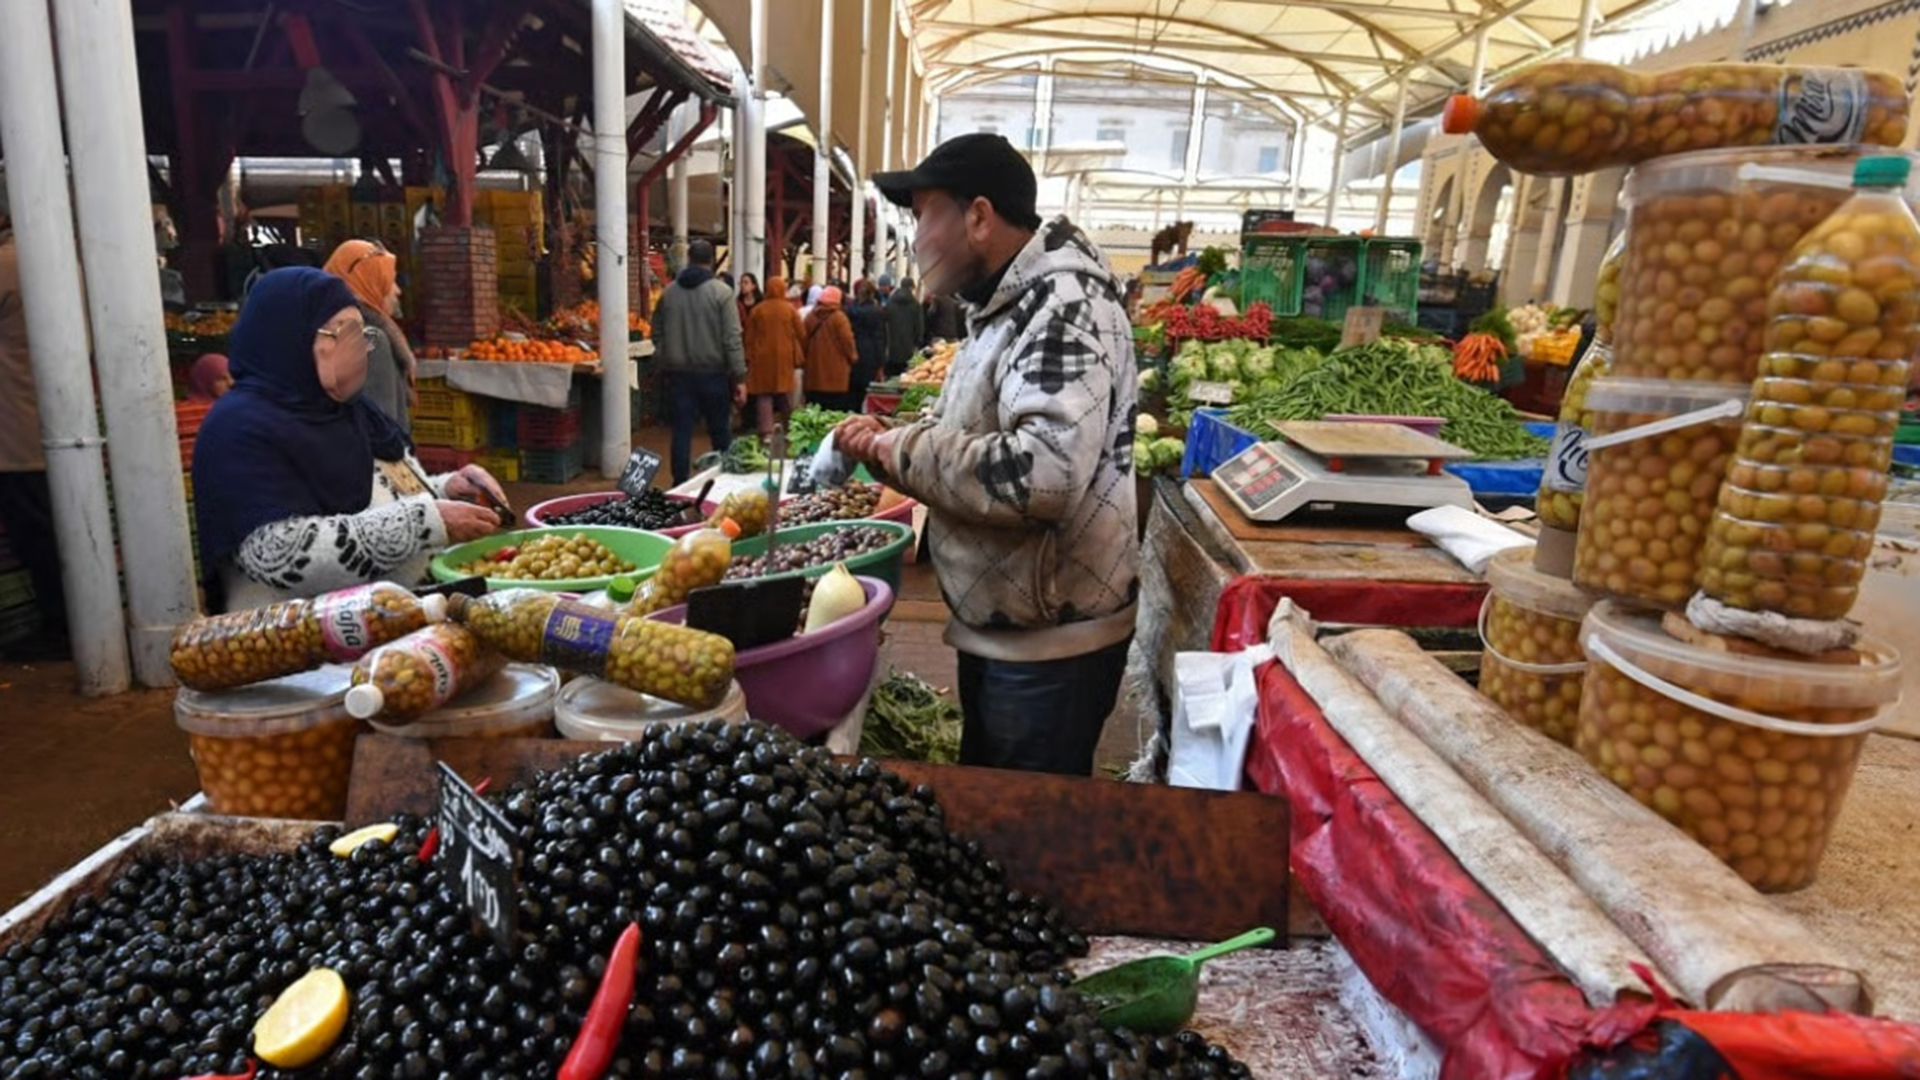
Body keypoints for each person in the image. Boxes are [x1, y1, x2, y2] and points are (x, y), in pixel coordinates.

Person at [834, 133, 1140, 776]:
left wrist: (906, 446)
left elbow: (1045, 474)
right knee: (991, 809)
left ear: (978, 216)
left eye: (924, 216)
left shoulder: (1065, 305)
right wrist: (897, 447)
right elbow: (989, 425)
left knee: (1020, 837)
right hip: (1011, 629)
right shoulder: (1005, 307)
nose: (916, 239)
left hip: (1050, 645)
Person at [193, 269, 507, 613]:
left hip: (389, 623)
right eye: (343, 334)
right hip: (299, 643)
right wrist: (425, 521)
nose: (358, 349)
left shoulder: (350, 412)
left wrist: (448, 488)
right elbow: (277, 554)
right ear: (289, 338)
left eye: (362, 335)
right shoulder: (237, 428)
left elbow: (381, 489)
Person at [0, 212, 69, 657]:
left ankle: (61, 629)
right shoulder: (65, 260)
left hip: (17, 426)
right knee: (61, 530)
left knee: (39, 535)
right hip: (59, 419)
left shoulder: (7, 264)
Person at [652, 239, 747, 484]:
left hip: (679, 374)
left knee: (681, 430)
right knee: (720, 431)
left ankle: (680, 482)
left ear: (689, 259)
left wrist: (665, 356)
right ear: (711, 262)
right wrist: (739, 376)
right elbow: (731, 338)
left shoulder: (669, 292)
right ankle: (724, 480)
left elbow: (656, 331)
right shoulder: (722, 293)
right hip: (713, 373)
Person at [323, 239, 416, 428]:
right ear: (368, 282)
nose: (398, 291)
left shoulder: (324, 333)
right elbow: (381, 429)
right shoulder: (369, 341)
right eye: (390, 280)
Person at [742, 275, 805, 441]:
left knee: (764, 395)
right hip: (785, 359)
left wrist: (748, 357)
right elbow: (801, 333)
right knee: (785, 395)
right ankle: (790, 428)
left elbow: (749, 336)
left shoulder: (758, 310)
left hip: (761, 358)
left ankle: (766, 432)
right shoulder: (789, 309)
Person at [802, 286, 859, 412]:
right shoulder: (839, 318)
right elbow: (847, 341)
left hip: (814, 375)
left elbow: (803, 341)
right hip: (836, 377)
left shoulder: (811, 317)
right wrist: (853, 357)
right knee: (834, 411)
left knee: (815, 411)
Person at [844, 281, 889, 406]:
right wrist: (881, 363)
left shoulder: (849, 312)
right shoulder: (877, 312)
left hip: (851, 353)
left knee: (852, 391)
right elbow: (879, 339)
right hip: (870, 356)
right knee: (866, 390)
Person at [883, 276, 926, 376]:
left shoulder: (890, 303)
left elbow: (885, 321)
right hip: (908, 348)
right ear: (911, 288)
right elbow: (919, 326)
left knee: (891, 378)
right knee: (906, 378)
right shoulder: (915, 304)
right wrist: (918, 342)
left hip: (892, 348)